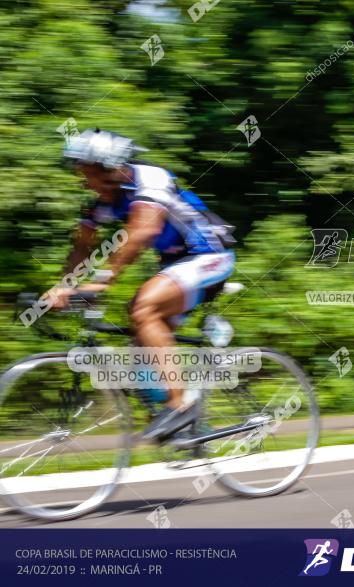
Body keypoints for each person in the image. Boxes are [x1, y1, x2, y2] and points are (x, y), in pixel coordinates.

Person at [51, 129, 235, 442]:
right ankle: (189, 425)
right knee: (140, 335)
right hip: (178, 266)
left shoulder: (151, 179)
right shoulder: (101, 203)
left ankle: (178, 408)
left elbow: (143, 231)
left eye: (87, 172)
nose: (82, 180)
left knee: (144, 306)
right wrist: (61, 287)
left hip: (211, 255)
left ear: (110, 169)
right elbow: (82, 247)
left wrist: (102, 281)